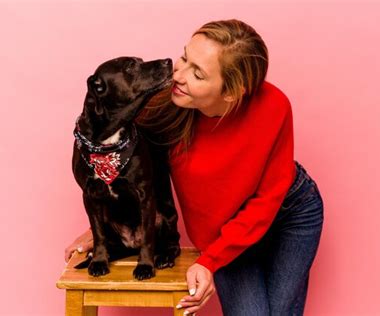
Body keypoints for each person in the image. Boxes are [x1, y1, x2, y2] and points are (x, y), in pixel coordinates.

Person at [65, 19, 324, 316]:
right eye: (185, 57)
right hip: (226, 230)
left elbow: (267, 201)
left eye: (197, 74)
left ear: (231, 92)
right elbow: (127, 175)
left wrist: (210, 261)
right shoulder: (157, 113)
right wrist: (104, 226)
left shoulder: (274, 105)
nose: (179, 74)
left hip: (290, 213)